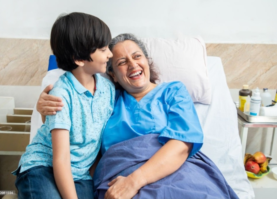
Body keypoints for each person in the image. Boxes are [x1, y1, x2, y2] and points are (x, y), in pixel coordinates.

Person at [37, 34, 238, 199]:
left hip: (177, 173)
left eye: (137, 56)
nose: (133, 65)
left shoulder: (173, 91)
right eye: (122, 62)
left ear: (147, 61)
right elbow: (73, 131)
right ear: (113, 75)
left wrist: (134, 181)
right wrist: (45, 110)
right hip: (117, 179)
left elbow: (182, 144)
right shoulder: (105, 100)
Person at [12, 12, 114, 199]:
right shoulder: (61, 94)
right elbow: (60, 160)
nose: (110, 53)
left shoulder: (108, 89)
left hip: (80, 174)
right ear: (79, 59)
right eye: (103, 49)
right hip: (43, 167)